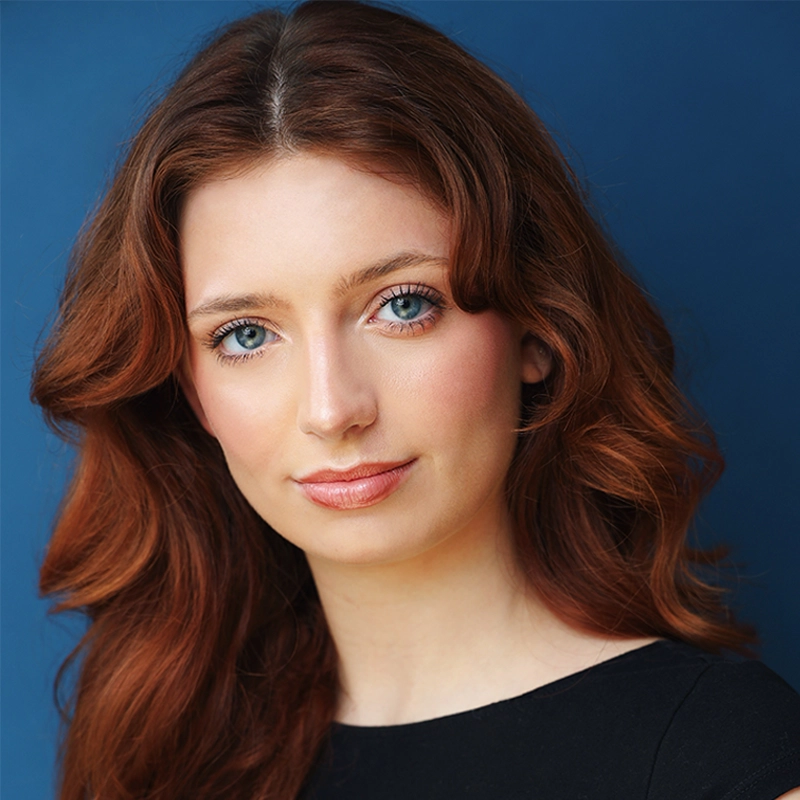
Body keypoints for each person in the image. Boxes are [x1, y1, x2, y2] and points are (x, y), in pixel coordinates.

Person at [30, 2, 800, 799]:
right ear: (188, 386)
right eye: (247, 335)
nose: (332, 410)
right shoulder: (169, 756)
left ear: (536, 326)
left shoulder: (725, 757)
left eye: (402, 305)